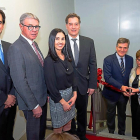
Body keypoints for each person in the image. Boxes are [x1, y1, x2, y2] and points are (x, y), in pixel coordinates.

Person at [7, 13, 47, 140]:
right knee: (34, 135)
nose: (34, 30)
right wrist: (34, 105)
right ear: (21, 26)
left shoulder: (34, 44)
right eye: (30, 26)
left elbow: (38, 72)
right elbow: (19, 81)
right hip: (32, 103)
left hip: (41, 98)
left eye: (36, 27)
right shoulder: (16, 48)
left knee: (40, 134)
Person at [65, 13, 97, 140]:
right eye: (70, 24)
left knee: (82, 112)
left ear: (79, 25)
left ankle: (82, 135)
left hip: (84, 84)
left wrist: (92, 84)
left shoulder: (89, 42)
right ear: (66, 26)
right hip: (67, 85)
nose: (73, 27)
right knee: (69, 113)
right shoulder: (61, 41)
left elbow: (93, 64)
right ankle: (71, 135)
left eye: (76, 24)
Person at [44, 28, 77, 134]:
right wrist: (63, 103)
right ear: (52, 40)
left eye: (62, 39)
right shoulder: (49, 61)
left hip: (70, 96)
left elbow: (73, 77)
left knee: (68, 125)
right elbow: (51, 86)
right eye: (57, 39)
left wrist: (75, 95)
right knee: (58, 130)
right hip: (58, 99)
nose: (60, 42)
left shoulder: (67, 57)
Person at [102, 38, 133, 135]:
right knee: (110, 114)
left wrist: (128, 89)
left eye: (125, 48)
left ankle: (121, 133)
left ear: (128, 48)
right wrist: (121, 87)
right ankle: (111, 133)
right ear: (116, 47)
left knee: (122, 114)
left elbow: (130, 76)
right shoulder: (108, 59)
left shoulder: (130, 59)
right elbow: (108, 77)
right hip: (111, 93)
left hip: (124, 95)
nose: (122, 50)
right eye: (120, 47)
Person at [0, 9, 16, 140]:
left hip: (11, 104)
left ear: (3, 25)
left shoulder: (9, 47)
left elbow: (16, 74)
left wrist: (11, 95)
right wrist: (4, 98)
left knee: (8, 135)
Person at [129, 50, 140, 139]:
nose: (139, 62)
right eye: (138, 60)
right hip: (133, 98)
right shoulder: (133, 70)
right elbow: (130, 84)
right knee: (135, 119)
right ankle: (134, 136)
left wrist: (137, 90)